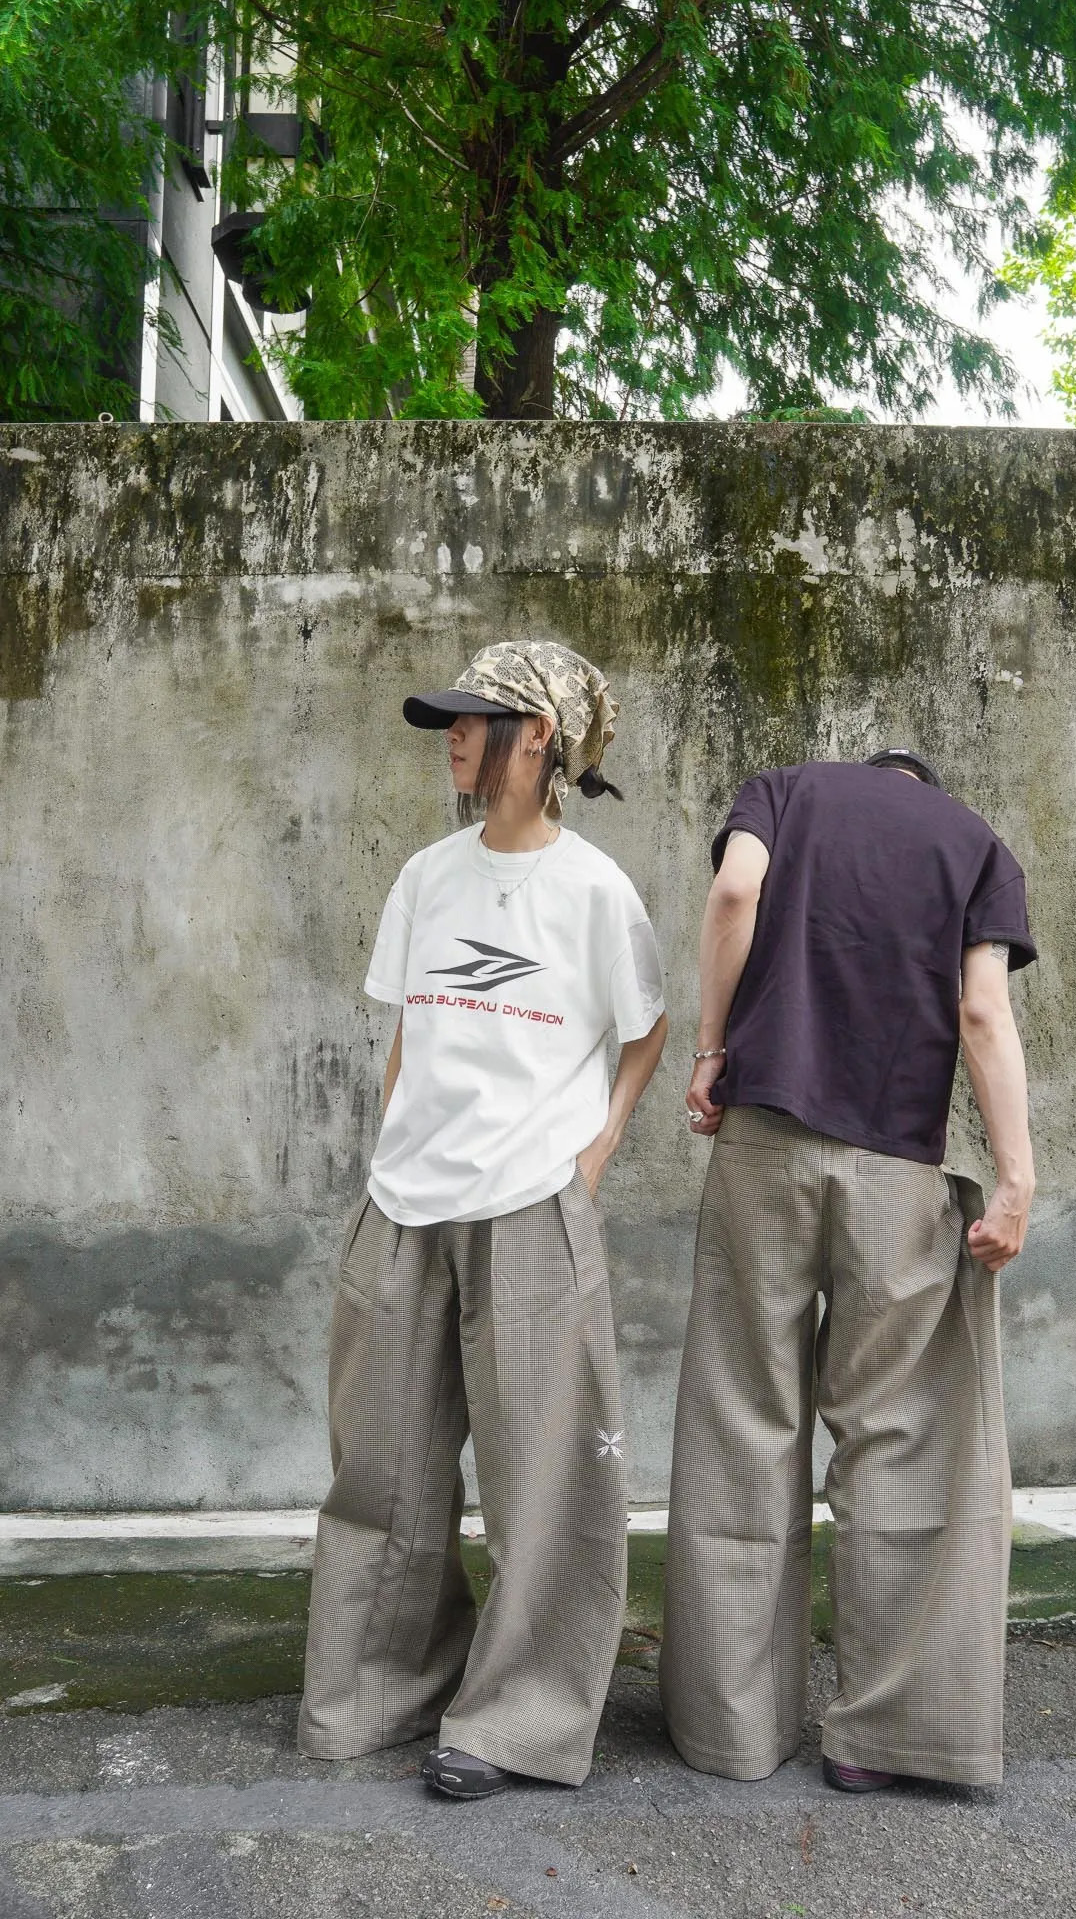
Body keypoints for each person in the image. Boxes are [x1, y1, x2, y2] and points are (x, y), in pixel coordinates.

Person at [298, 639, 667, 1801]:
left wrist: (593, 1152)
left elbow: (646, 1026)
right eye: (447, 721)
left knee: (543, 1482)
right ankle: (382, 1686)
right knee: (382, 1468)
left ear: (538, 736)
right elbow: (411, 1024)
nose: (452, 737)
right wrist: (394, 1139)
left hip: (528, 1202)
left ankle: (516, 1719)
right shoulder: (427, 875)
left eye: (471, 719)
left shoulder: (595, 889)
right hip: (404, 1204)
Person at [659, 749, 1036, 1793]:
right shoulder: (974, 844)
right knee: (898, 1436)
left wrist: (711, 1050)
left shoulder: (783, 792)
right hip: (894, 1168)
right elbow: (982, 1013)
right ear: (925, 783)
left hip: (762, 1142)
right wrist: (1015, 1175)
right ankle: (883, 1737)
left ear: (868, 772)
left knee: (743, 1417)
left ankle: (732, 1730)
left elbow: (734, 892)